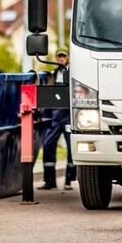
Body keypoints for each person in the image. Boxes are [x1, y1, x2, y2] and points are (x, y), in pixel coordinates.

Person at [38, 47, 77, 191]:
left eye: (63, 56)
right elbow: (49, 96)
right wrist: (46, 116)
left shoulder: (73, 74)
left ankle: (69, 180)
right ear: (56, 58)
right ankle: (50, 182)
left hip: (68, 119)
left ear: (67, 58)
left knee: (71, 149)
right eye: (59, 56)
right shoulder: (53, 75)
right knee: (48, 146)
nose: (61, 59)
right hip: (55, 119)